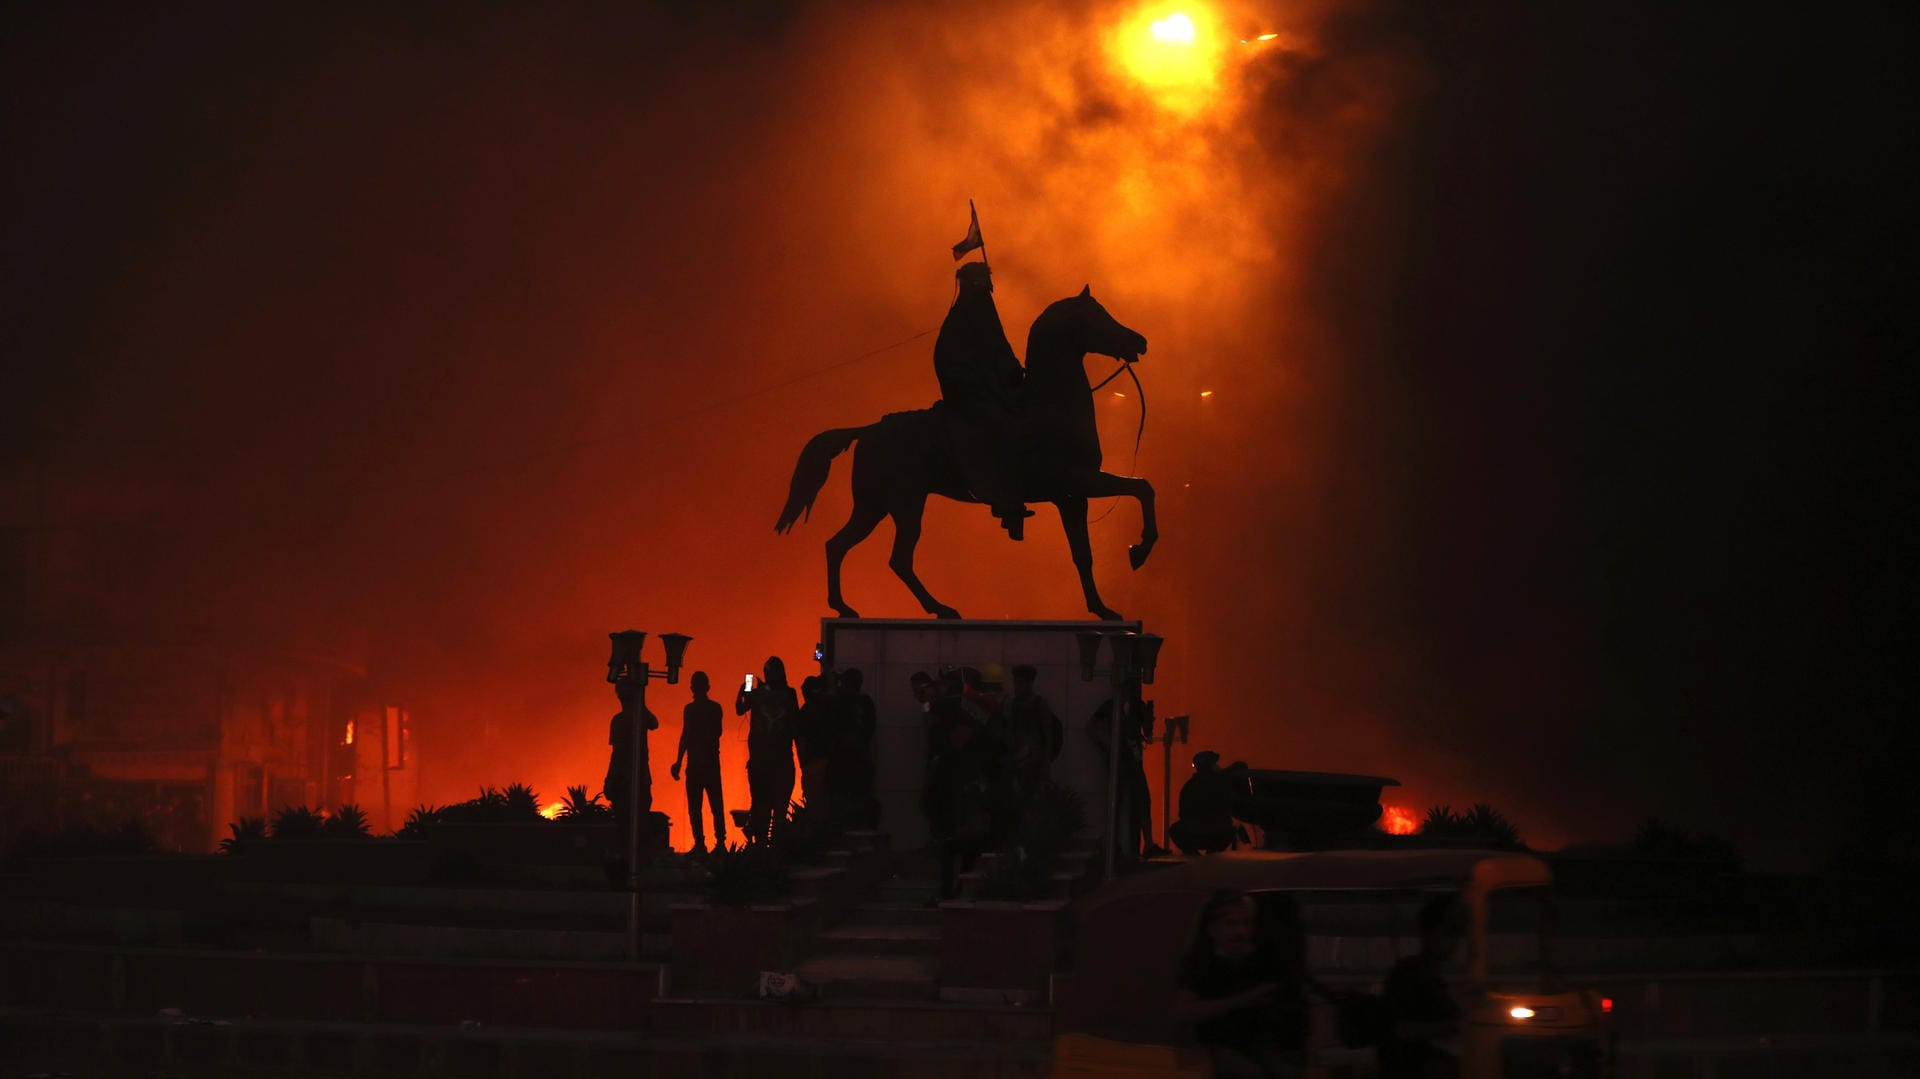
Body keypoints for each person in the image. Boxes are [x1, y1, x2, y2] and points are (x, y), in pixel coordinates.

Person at [934, 260, 1032, 538]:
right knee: (1001, 426)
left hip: (978, 379)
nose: (984, 285)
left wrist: (1011, 369)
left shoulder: (972, 307)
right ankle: (1006, 500)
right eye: (980, 279)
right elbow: (991, 346)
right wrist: (1007, 372)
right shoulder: (972, 309)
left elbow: (996, 345)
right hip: (967, 386)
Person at [1172, 890, 1310, 1078]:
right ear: (1212, 929)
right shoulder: (1198, 963)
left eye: (1247, 923)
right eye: (1231, 923)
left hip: (1260, 1042)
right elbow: (1184, 1011)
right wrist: (1241, 1000)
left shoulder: (1262, 960)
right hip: (1215, 1045)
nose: (1241, 931)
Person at [1379, 894, 1467, 1079]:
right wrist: (1453, 1027)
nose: (1454, 942)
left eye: (1457, 934)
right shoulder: (1407, 975)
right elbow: (1401, 1029)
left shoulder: (1438, 979)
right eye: (1448, 932)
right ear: (1428, 934)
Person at [922, 705, 1003, 901]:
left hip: (960, 817)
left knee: (959, 854)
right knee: (955, 855)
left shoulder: (961, 757)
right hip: (955, 816)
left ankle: (952, 890)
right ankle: (951, 890)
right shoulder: (953, 758)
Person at [1088, 678, 1160, 861]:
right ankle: (1115, 845)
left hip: (1131, 760)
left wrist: (1148, 723)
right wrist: (1108, 745)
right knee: (1117, 802)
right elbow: (1092, 726)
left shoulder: (1136, 706)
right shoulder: (1111, 706)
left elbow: (1147, 731)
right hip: (1119, 760)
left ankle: (1146, 844)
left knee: (1141, 799)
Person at [736, 657, 799, 846]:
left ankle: (761, 848)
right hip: (780, 761)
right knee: (778, 811)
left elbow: (740, 708)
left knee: (761, 807)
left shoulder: (756, 694)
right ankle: (774, 849)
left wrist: (743, 691)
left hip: (761, 763)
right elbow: (796, 725)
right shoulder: (789, 694)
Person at [604, 674, 660, 884]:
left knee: (631, 825)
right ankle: (633, 868)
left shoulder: (631, 718)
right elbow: (617, 753)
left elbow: (616, 754)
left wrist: (610, 779)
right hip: (632, 779)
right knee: (633, 825)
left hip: (631, 779)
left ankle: (636, 867)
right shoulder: (628, 719)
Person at [669, 672, 725, 853]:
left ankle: (701, 843)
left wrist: (678, 761)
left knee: (696, 808)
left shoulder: (691, 710)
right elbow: (717, 732)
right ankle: (720, 843)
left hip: (695, 764)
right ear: (707, 687)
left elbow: (685, 736)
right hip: (710, 764)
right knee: (715, 805)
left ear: (692, 688)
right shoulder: (715, 708)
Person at [1002, 663, 1063, 793]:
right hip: (1017, 756)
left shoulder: (1039, 704)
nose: (1016, 687)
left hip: (1034, 757)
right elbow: (1010, 727)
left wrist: (1046, 760)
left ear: (1029, 683)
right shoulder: (1014, 703)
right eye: (1016, 683)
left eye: (1020, 683)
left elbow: (1048, 734)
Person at [830, 667, 879, 828]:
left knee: (843, 805)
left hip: (844, 763)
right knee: (860, 802)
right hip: (862, 760)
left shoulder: (839, 703)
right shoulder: (866, 703)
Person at [1170, 750, 1239, 855]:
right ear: (1210, 766)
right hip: (1215, 833)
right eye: (1214, 764)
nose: (1217, 766)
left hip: (1192, 834)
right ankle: (1213, 851)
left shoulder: (1189, 786)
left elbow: (1183, 814)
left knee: (1175, 830)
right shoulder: (1220, 785)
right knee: (1230, 830)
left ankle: (1192, 853)